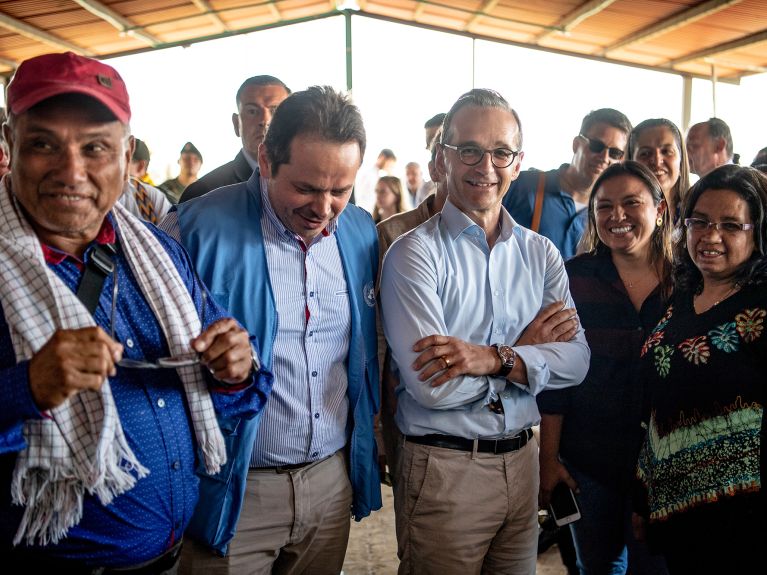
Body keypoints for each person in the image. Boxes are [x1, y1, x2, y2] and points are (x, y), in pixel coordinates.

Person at [0, 51, 270, 571]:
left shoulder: (157, 253)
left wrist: (236, 368)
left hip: (169, 556)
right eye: (42, 144)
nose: (71, 170)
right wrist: (27, 386)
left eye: (95, 147)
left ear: (126, 157)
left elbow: (237, 388)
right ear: (10, 146)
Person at [162, 85, 381, 574]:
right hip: (233, 490)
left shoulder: (361, 233)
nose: (323, 209)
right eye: (305, 187)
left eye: (340, 190)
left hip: (330, 483)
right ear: (265, 159)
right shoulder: (194, 229)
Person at [380, 88, 589, 574]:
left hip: (522, 462)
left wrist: (494, 357)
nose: (486, 166)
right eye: (469, 150)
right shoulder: (413, 255)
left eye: (501, 152)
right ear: (441, 160)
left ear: (518, 163)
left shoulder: (540, 254)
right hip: (445, 471)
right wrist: (528, 356)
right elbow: (433, 388)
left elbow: (577, 363)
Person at [537, 162, 672, 575]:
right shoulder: (574, 279)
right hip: (588, 460)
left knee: (656, 568)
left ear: (660, 209)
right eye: (604, 206)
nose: (617, 216)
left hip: (664, 464)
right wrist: (549, 458)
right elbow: (556, 378)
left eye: (632, 203)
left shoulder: (687, 283)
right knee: (597, 566)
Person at [634, 164, 767, 573]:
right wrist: (644, 496)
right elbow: (655, 405)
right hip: (675, 508)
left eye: (731, 225)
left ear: (757, 232)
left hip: (746, 518)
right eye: (700, 222)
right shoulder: (676, 299)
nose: (711, 236)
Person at [502, 108, 632, 260]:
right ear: (576, 144)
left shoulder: (611, 215)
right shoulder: (522, 185)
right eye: (597, 146)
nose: (604, 157)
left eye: (615, 153)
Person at [179, 75, 290, 203]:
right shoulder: (202, 194)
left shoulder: (308, 184)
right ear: (237, 124)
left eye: (275, 111)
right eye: (252, 111)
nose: (265, 121)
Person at [628, 119, 690, 221]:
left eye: (666, 151)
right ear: (631, 161)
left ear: (681, 159)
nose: (657, 161)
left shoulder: (698, 211)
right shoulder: (619, 213)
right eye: (645, 153)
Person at [354, 148, 397, 213]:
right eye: (389, 162)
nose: (389, 166)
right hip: (364, 212)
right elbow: (363, 197)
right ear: (382, 157)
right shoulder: (369, 174)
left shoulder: (375, 174)